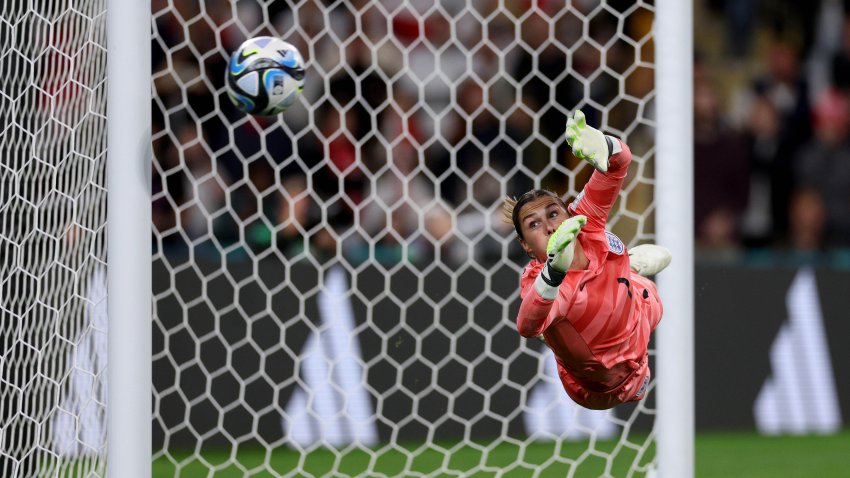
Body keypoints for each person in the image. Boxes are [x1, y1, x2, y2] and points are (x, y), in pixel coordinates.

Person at [503, 111, 671, 410]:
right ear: (527, 247)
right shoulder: (541, 279)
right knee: (545, 320)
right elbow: (526, 326)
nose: (550, 227)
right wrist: (554, 271)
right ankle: (626, 270)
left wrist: (606, 146)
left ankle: (629, 269)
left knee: (653, 296)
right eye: (534, 225)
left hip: (638, 312)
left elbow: (620, 163)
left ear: (568, 213)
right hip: (599, 388)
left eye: (553, 214)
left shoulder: (586, 219)